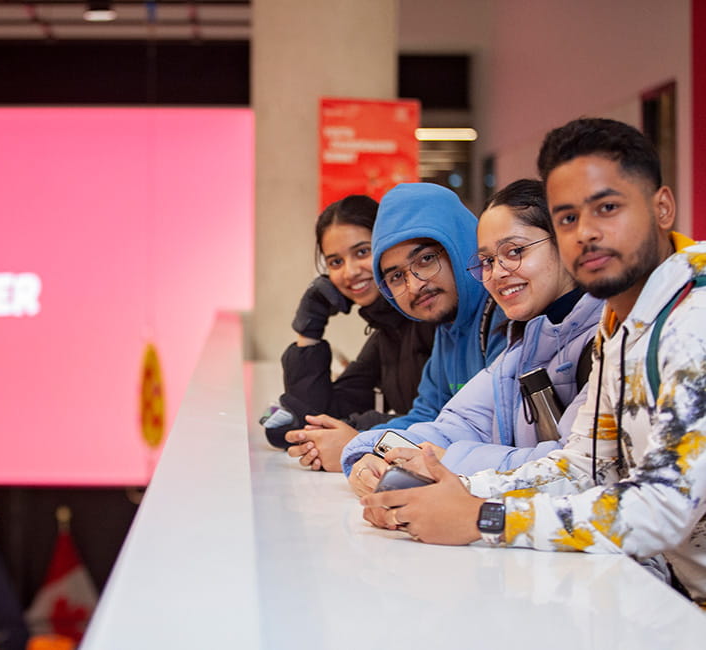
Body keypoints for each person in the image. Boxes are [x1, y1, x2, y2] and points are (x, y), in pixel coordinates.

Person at [361, 117, 706, 606]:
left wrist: (484, 517)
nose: (584, 234)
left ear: (662, 207)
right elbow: (584, 467)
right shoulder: (622, 326)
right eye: (566, 218)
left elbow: (662, 508)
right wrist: (447, 490)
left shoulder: (694, 321)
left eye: (606, 208)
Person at [344, 179, 603, 495]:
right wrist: (373, 453)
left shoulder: (612, 342)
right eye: (488, 261)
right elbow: (454, 425)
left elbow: (579, 472)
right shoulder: (523, 344)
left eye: (515, 251)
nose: (498, 273)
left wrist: (448, 462)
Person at [285, 183, 508, 471]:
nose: (415, 285)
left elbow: (498, 439)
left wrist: (363, 443)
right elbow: (427, 417)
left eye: (426, 259)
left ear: (460, 243)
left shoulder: (506, 318)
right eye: (396, 276)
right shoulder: (444, 325)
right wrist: (355, 442)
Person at [263, 195, 437, 449]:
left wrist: (354, 428)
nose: (350, 271)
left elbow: (447, 424)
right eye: (336, 262)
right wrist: (309, 328)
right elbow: (315, 413)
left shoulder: (432, 316)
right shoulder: (386, 332)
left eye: (362, 252)